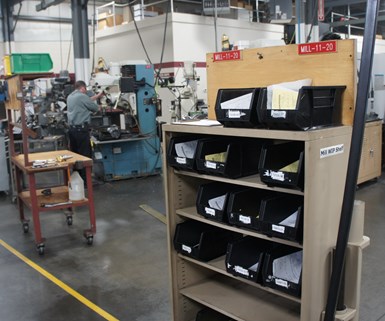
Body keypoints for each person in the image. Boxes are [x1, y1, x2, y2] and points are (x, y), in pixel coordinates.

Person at [67, 80, 103, 182]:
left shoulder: (71, 96)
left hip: (72, 130)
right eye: (85, 90)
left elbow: (85, 101)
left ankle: (77, 179)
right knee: (85, 155)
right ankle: (86, 180)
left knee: (76, 155)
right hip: (81, 131)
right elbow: (94, 108)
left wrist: (97, 96)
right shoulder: (82, 96)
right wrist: (100, 107)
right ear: (83, 88)